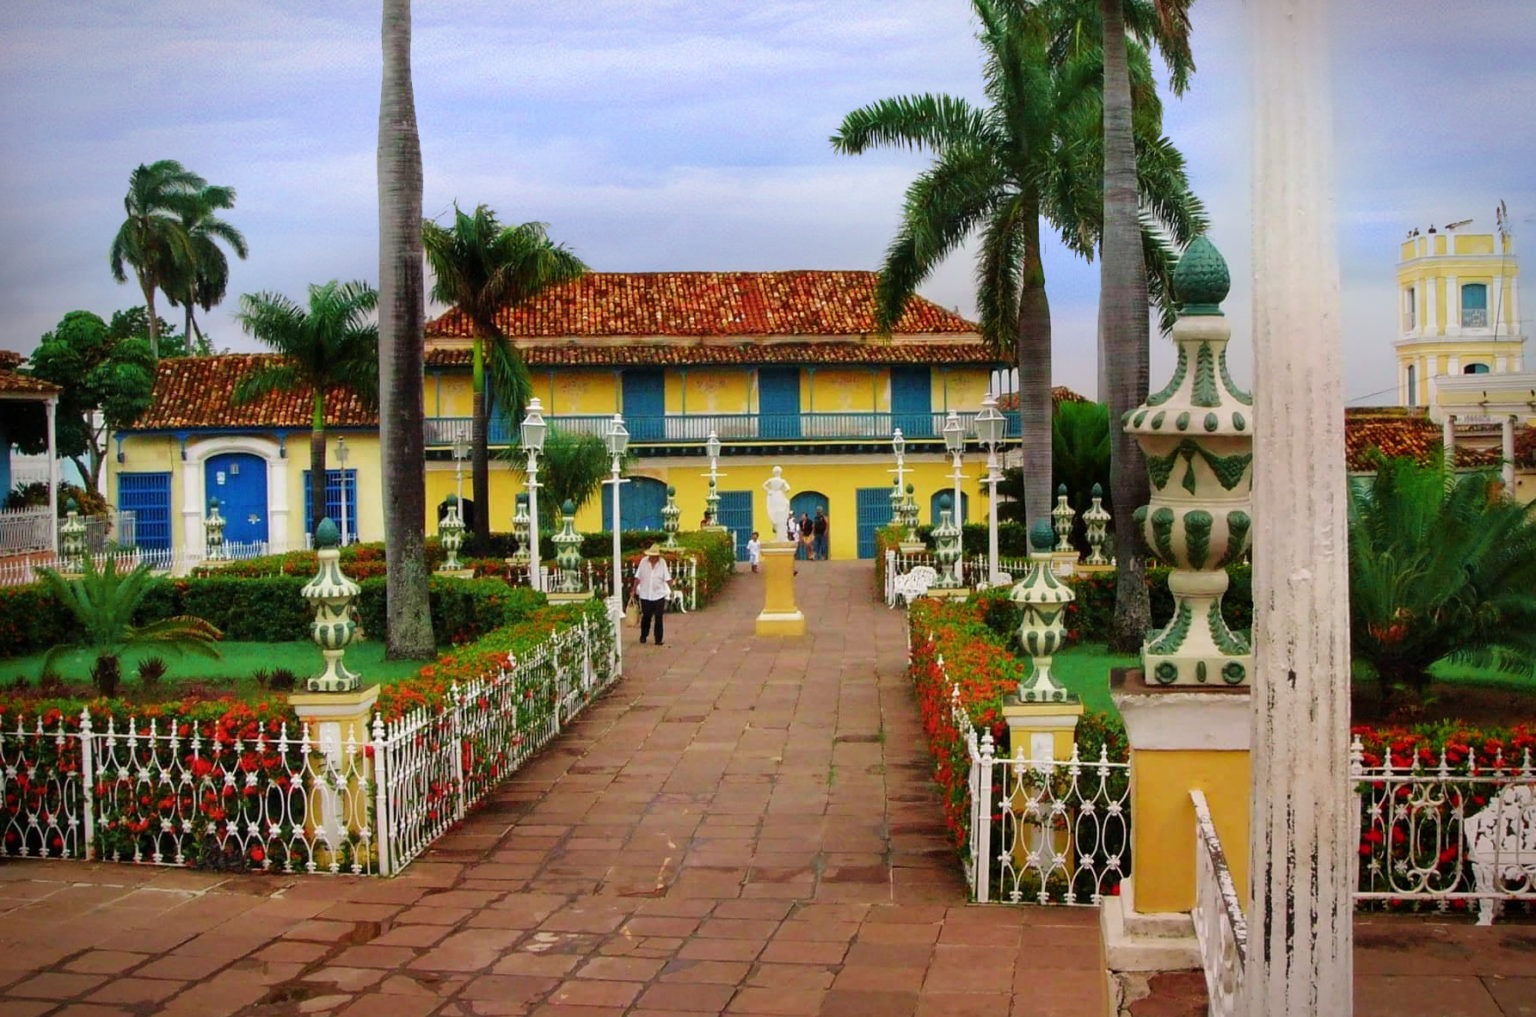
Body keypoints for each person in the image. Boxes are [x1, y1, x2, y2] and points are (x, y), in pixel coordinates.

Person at [632, 544, 672, 646]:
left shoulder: (662, 563)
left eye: (655, 556)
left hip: (659, 594)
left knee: (659, 617)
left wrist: (671, 589)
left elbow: (667, 577)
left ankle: (658, 639)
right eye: (652, 556)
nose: (653, 558)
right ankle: (643, 636)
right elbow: (638, 577)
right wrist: (633, 590)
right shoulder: (643, 562)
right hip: (645, 594)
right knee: (646, 616)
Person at [762, 465, 791, 541]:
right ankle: (780, 537)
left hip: (773, 497)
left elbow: (764, 486)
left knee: (776, 516)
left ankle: (779, 537)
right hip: (780, 497)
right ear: (780, 472)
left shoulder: (771, 480)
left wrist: (769, 490)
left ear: (773, 472)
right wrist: (782, 490)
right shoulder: (782, 481)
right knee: (781, 517)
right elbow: (788, 489)